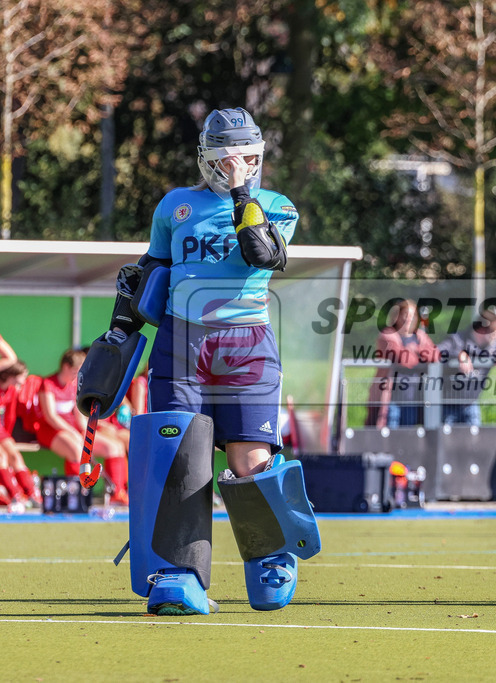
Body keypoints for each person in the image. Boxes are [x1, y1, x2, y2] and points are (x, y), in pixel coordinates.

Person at [79, 107, 320, 616]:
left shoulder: (276, 205)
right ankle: (179, 571)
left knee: (247, 461)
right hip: (180, 341)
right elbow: (150, 272)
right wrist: (118, 333)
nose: (238, 166)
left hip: (246, 343)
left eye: (248, 158)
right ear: (205, 157)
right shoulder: (175, 205)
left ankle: (271, 556)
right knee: (179, 455)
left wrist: (240, 192)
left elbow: (261, 254)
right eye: (228, 159)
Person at [36, 349, 129, 504]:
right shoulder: (48, 384)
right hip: (52, 431)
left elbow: (79, 418)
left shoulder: (74, 385)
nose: (75, 375)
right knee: (76, 449)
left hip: (72, 430)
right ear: (65, 367)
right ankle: (78, 497)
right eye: (74, 371)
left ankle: (117, 492)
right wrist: (74, 434)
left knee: (114, 447)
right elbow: (51, 417)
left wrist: (88, 434)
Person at [364, 299, 440, 428]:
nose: (409, 319)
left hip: (413, 398)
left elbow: (435, 355)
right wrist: (421, 355)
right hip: (391, 400)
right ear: (396, 316)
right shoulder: (387, 335)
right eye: (405, 315)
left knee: (408, 438)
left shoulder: (420, 336)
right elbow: (403, 360)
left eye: (412, 316)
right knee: (389, 437)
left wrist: (415, 349)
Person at [436, 305, 496, 426]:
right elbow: (437, 351)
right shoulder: (457, 340)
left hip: (471, 404)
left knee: (475, 440)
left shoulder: (494, 344)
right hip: (447, 405)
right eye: (494, 334)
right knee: (446, 442)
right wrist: (459, 355)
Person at [0, 361, 42, 508]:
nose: (25, 379)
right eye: (22, 376)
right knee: (2, 457)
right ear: (11, 374)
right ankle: (14, 494)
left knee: (15, 456)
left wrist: (8, 439)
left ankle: (31, 493)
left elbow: (10, 417)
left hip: (1, 432)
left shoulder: (11, 391)